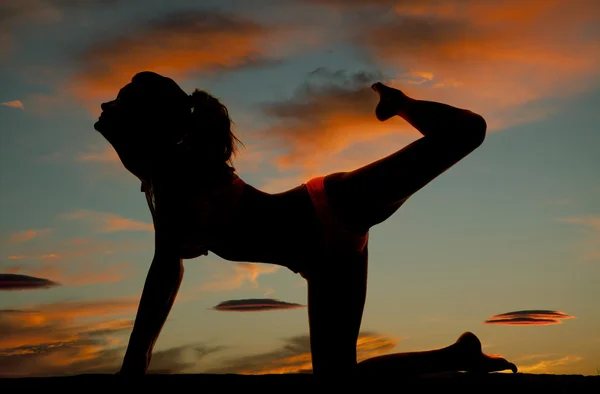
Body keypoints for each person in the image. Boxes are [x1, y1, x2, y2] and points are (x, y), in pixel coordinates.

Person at [94, 71, 517, 376]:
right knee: (337, 382)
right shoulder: (162, 178)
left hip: (329, 206)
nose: (104, 106)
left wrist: (135, 363)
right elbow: (167, 252)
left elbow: (165, 270)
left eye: (119, 100)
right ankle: (455, 357)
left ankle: (400, 104)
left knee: (467, 131)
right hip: (323, 257)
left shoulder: (177, 174)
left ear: (144, 122)